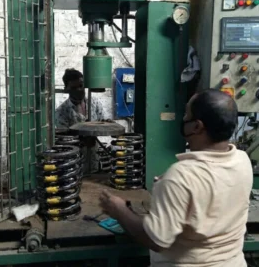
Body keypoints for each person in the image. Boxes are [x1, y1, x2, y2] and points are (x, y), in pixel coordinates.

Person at [99, 89, 253, 267]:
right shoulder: (242, 160)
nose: (183, 118)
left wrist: (119, 210)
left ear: (197, 126)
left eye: (186, 114)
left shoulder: (181, 176)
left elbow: (156, 240)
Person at [55, 68, 105, 174]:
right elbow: (64, 140)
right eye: (74, 87)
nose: (79, 90)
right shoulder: (61, 112)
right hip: (73, 165)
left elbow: (102, 124)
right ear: (66, 89)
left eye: (81, 86)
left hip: (94, 160)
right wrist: (82, 141)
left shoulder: (95, 104)